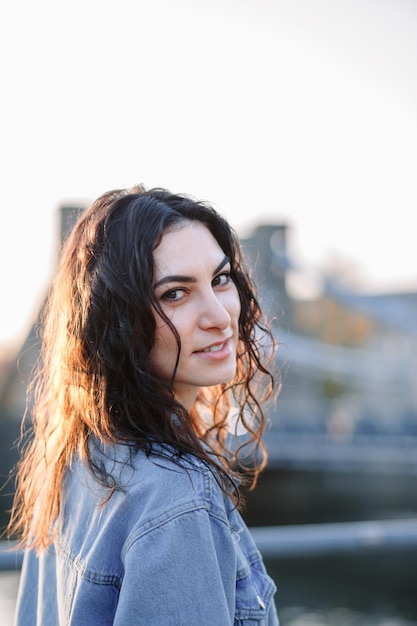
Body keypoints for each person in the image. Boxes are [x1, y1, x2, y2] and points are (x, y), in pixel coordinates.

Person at [8, 185, 280, 625]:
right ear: (117, 321)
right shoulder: (177, 497)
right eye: (175, 293)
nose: (218, 315)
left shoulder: (78, 452)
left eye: (220, 279)